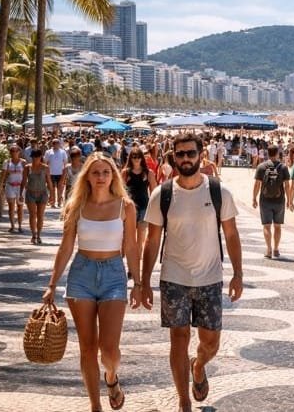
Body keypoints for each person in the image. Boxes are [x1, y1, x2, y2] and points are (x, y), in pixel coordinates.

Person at [141, 133, 243, 412]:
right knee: (179, 338)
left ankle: (198, 367)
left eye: (190, 153)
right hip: (174, 277)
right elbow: (151, 240)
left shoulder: (218, 192)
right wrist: (144, 281)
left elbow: (231, 234)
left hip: (210, 278)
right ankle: (183, 400)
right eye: (180, 154)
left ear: (201, 155)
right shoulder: (161, 194)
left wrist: (238, 274)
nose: (185, 159)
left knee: (211, 342)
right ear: (173, 157)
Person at [42, 152, 141, 412]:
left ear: (113, 176)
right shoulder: (77, 205)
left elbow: (131, 246)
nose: (101, 177)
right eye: (95, 172)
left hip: (113, 276)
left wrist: (139, 283)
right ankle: (95, 405)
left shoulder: (125, 207)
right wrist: (52, 284)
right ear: (87, 176)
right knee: (87, 347)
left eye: (106, 172)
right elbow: (66, 247)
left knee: (109, 350)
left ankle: (111, 377)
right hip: (81, 275)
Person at [252, 145, 291, 259]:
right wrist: (289, 200)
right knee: (278, 226)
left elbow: (257, 184)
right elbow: (287, 185)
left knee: (267, 226)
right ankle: (276, 249)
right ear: (277, 153)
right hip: (279, 200)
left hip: (265, 200)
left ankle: (268, 250)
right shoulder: (283, 167)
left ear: (267, 153)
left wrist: (254, 198)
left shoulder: (261, 166)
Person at [122, 148, 157, 260]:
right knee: (128, 238)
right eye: (134, 156)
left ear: (142, 158)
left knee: (140, 239)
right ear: (130, 158)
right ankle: (129, 264)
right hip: (129, 209)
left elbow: (154, 192)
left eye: (138, 156)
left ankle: (136, 264)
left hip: (143, 208)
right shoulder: (125, 172)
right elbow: (120, 191)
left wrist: (154, 209)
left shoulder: (148, 173)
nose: (136, 159)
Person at [21, 148, 53, 244]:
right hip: (30, 193)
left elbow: (49, 182)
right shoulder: (27, 167)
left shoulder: (45, 168)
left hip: (42, 193)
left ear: (40, 157)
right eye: (33, 157)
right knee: (32, 215)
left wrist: (52, 195)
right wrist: (20, 194)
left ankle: (39, 234)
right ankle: (33, 235)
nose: (35, 159)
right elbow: (23, 181)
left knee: (40, 215)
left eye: (37, 157)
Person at [0, 144, 25, 233]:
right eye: (12, 151)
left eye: (15, 151)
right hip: (10, 186)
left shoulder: (23, 162)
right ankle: (12, 226)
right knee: (11, 207)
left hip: (20, 187)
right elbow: (3, 175)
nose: (14, 153)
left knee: (20, 207)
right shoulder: (6, 162)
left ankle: (20, 226)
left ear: (19, 152)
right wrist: (0, 186)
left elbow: (26, 176)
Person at [44, 138, 69, 208]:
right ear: (52, 144)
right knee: (51, 188)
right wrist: (46, 173)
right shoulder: (48, 152)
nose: (56, 144)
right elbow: (45, 163)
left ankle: (59, 202)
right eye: (54, 143)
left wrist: (65, 172)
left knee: (60, 188)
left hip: (60, 173)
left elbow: (65, 162)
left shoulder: (63, 152)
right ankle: (53, 202)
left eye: (57, 143)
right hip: (51, 173)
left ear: (59, 144)